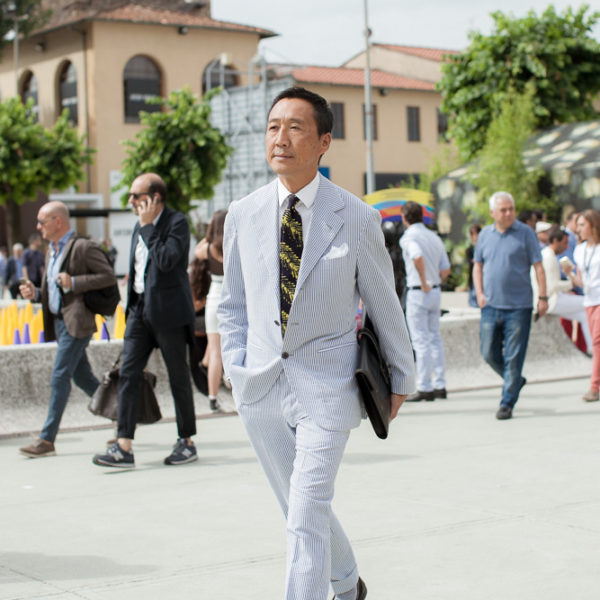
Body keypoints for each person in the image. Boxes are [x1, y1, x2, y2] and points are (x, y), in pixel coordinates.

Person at [217, 86, 415, 600]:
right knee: (299, 506)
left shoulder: (356, 216)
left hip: (328, 386)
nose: (280, 138)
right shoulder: (242, 213)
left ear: (324, 142)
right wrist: (236, 367)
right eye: (273, 127)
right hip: (259, 386)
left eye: (295, 127)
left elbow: (384, 302)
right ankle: (348, 585)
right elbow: (232, 303)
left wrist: (402, 375)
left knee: (305, 512)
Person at [92, 173, 197, 468]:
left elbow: (166, 260)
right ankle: (123, 445)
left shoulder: (176, 223)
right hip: (139, 311)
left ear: (155, 198)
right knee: (128, 374)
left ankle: (186, 441)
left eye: (136, 196)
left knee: (178, 377)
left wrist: (149, 227)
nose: (130, 201)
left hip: (169, 313)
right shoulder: (139, 226)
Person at [18, 202, 117, 458]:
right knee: (83, 378)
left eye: (42, 221)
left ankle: (46, 439)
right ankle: (123, 416)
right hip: (60, 322)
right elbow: (53, 291)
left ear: (58, 221)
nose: (38, 227)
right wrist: (35, 293)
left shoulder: (83, 247)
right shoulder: (51, 251)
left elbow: (108, 276)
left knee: (59, 376)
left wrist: (74, 282)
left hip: (77, 322)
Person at [473, 191, 548, 420]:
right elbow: (477, 265)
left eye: (511, 209)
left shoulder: (526, 233)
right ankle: (515, 381)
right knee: (488, 353)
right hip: (490, 305)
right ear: (492, 213)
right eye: (503, 210)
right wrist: (479, 294)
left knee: (514, 358)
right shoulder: (485, 234)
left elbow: (538, 266)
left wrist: (543, 297)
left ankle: (507, 402)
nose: (508, 213)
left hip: (519, 306)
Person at [400, 201, 451, 401]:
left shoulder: (409, 237)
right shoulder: (434, 237)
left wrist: (423, 281)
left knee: (420, 341)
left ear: (404, 218)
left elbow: (417, 257)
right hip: (435, 291)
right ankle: (440, 384)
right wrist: (433, 279)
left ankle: (424, 386)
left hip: (418, 290)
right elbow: (445, 269)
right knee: (434, 338)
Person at [531, 226, 591, 350]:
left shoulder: (548, 255)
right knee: (587, 303)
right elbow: (552, 286)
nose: (567, 247)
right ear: (556, 241)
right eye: (565, 243)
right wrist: (571, 283)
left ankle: (593, 349)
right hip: (551, 301)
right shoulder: (549, 257)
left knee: (584, 315)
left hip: (553, 298)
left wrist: (569, 276)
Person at [562, 210, 600, 402]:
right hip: (589, 301)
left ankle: (594, 386)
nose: (578, 229)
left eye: (583, 225)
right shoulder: (579, 250)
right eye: (577, 225)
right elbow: (580, 282)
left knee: (597, 343)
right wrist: (569, 273)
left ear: (594, 225)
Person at [193, 210, 227, 412]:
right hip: (233, 299)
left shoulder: (208, 248)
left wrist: (208, 236)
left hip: (214, 299)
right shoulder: (236, 244)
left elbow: (196, 251)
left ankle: (213, 399)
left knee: (215, 351)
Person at [465, 223, 482, 308]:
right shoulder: (469, 249)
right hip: (473, 280)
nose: (475, 236)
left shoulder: (484, 247)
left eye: (477, 233)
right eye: (473, 234)